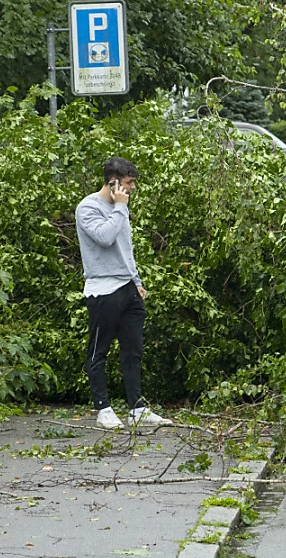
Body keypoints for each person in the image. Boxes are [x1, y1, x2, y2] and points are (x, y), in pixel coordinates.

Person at [76, 157, 172, 430]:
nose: (132, 188)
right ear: (113, 182)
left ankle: (137, 409)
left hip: (128, 288)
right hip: (102, 290)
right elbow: (105, 238)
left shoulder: (121, 208)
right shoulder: (88, 207)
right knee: (99, 351)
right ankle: (103, 409)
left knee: (133, 350)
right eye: (129, 183)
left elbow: (125, 249)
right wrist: (120, 207)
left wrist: (136, 281)